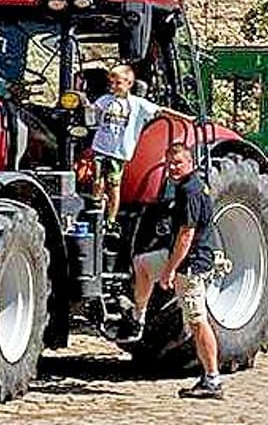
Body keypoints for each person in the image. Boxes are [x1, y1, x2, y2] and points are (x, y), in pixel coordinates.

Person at [120, 143, 223, 399]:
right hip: (181, 259)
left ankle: (212, 380)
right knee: (142, 263)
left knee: (197, 321)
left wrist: (169, 270)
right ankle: (138, 317)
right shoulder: (183, 186)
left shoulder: (191, 190)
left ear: (190, 163)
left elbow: (186, 236)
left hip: (191, 265)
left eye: (178, 163)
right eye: (169, 163)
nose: (173, 168)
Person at [92, 64, 192, 236]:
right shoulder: (105, 100)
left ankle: (111, 220)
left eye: (117, 83)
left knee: (114, 184)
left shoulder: (138, 104)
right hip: (100, 148)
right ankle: (96, 210)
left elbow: (161, 111)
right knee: (97, 181)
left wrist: (186, 117)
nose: (113, 87)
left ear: (129, 83)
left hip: (118, 152)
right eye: (111, 83)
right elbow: (91, 109)